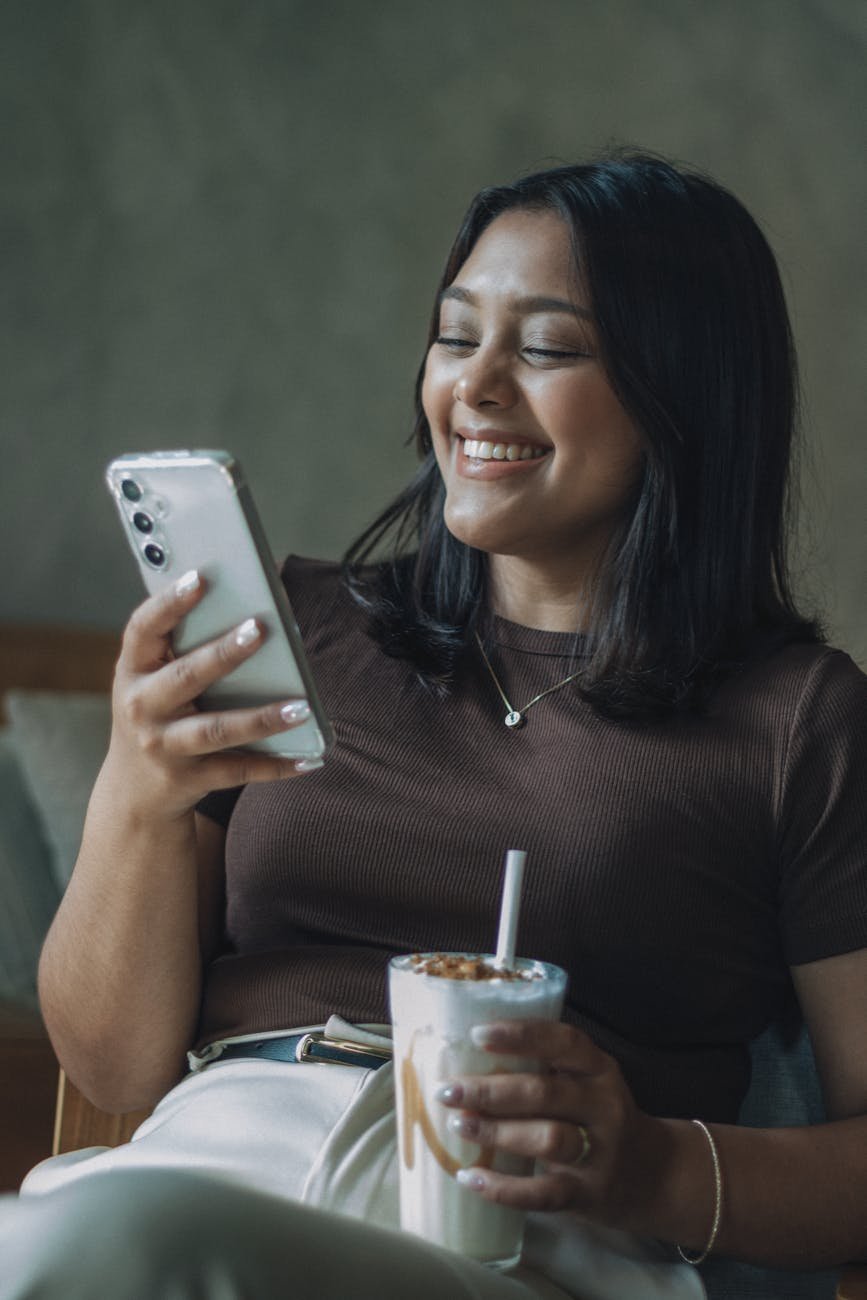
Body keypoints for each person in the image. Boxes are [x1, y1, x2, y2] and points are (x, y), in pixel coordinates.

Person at [2, 151, 866, 1300]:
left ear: (687, 394)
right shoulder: (301, 630)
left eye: (548, 347)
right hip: (215, 1153)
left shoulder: (794, 721)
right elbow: (111, 1061)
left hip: (526, 1237)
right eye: (458, 336)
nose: (478, 387)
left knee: (77, 1252)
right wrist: (135, 795)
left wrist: (650, 1164)